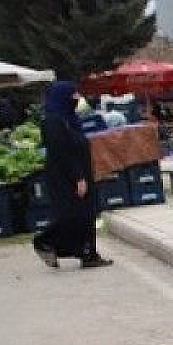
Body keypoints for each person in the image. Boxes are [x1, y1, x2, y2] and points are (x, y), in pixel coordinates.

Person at [31, 81, 112, 270]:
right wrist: (78, 177)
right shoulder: (52, 121)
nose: (75, 101)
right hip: (65, 176)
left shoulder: (70, 119)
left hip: (80, 172)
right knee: (72, 215)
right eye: (72, 97)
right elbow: (61, 152)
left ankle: (88, 253)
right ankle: (44, 241)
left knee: (86, 214)